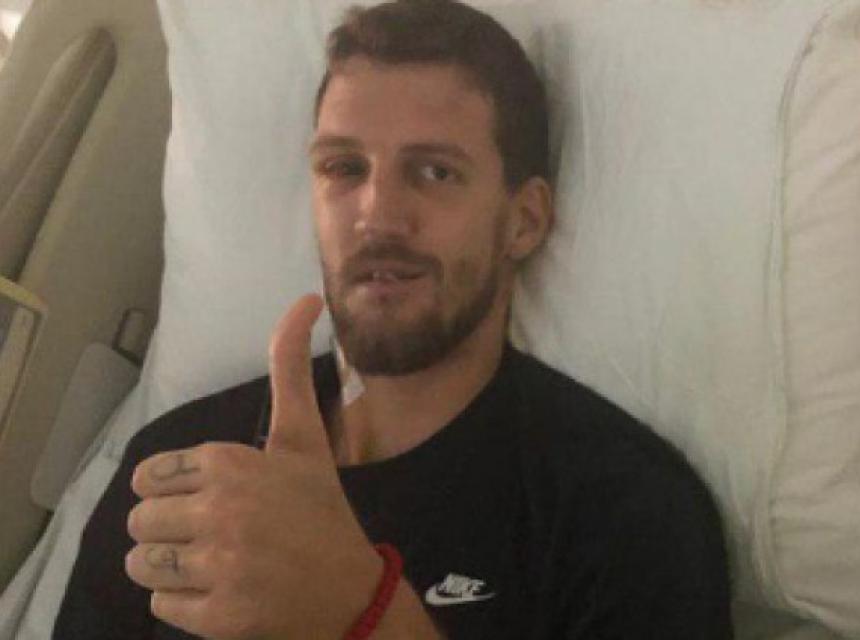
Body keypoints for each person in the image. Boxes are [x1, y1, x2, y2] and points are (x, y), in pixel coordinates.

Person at [52, 1, 732, 638]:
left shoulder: (624, 512)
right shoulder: (185, 469)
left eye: (435, 172)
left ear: (523, 221)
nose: (376, 216)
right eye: (344, 167)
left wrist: (364, 612)